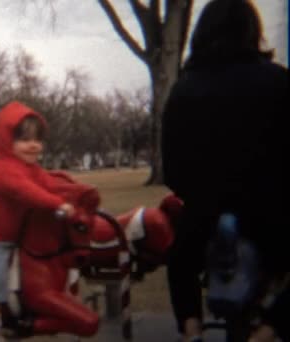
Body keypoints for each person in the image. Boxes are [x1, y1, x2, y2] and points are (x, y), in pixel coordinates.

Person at [161, 1, 288, 341]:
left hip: (205, 214)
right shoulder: (278, 81)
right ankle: (268, 329)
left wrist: (203, 194)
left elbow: (173, 171)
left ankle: (191, 329)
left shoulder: (183, 89)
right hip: (271, 216)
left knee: (181, 264)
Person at [0, 101, 75, 342]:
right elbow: (29, 192)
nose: (34, 145)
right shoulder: (4, 171)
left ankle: (20, 313)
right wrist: (58, 204)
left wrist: (73, 191)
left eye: (38, 139)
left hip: (14, 238)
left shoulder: (30, 167)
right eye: (25, 139)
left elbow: (47, 183)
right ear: (7, 141)